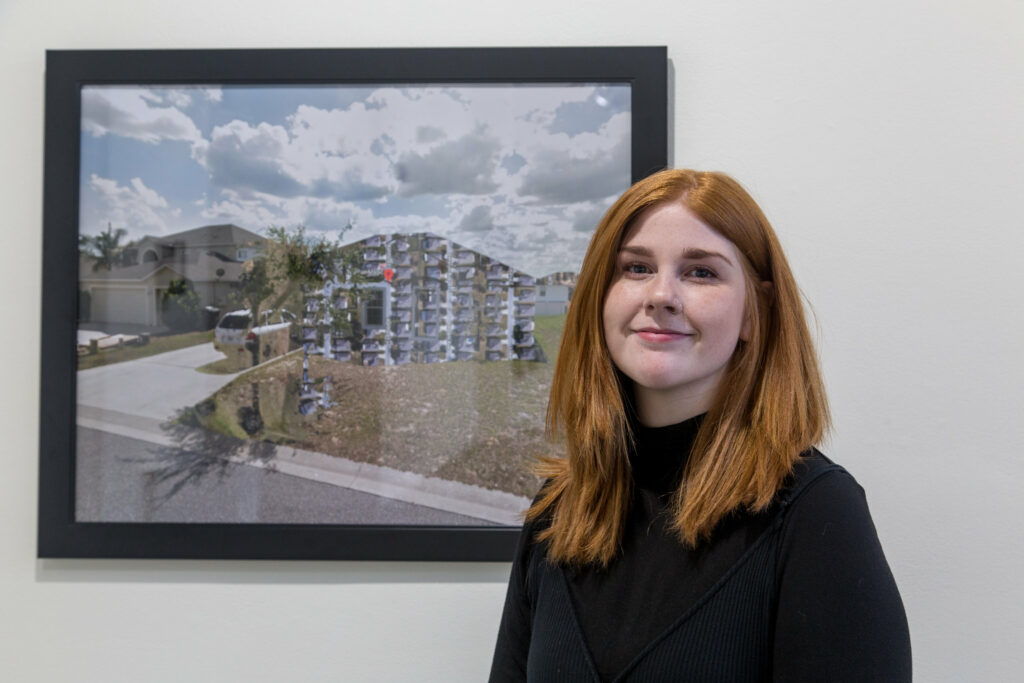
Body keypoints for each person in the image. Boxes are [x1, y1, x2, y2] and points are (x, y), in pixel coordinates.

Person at [489, 169, 911, 682]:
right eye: (637, 267)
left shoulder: (815, 513)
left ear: (756, 314)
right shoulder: (558, 509)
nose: (661, 295)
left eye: (701, 273)